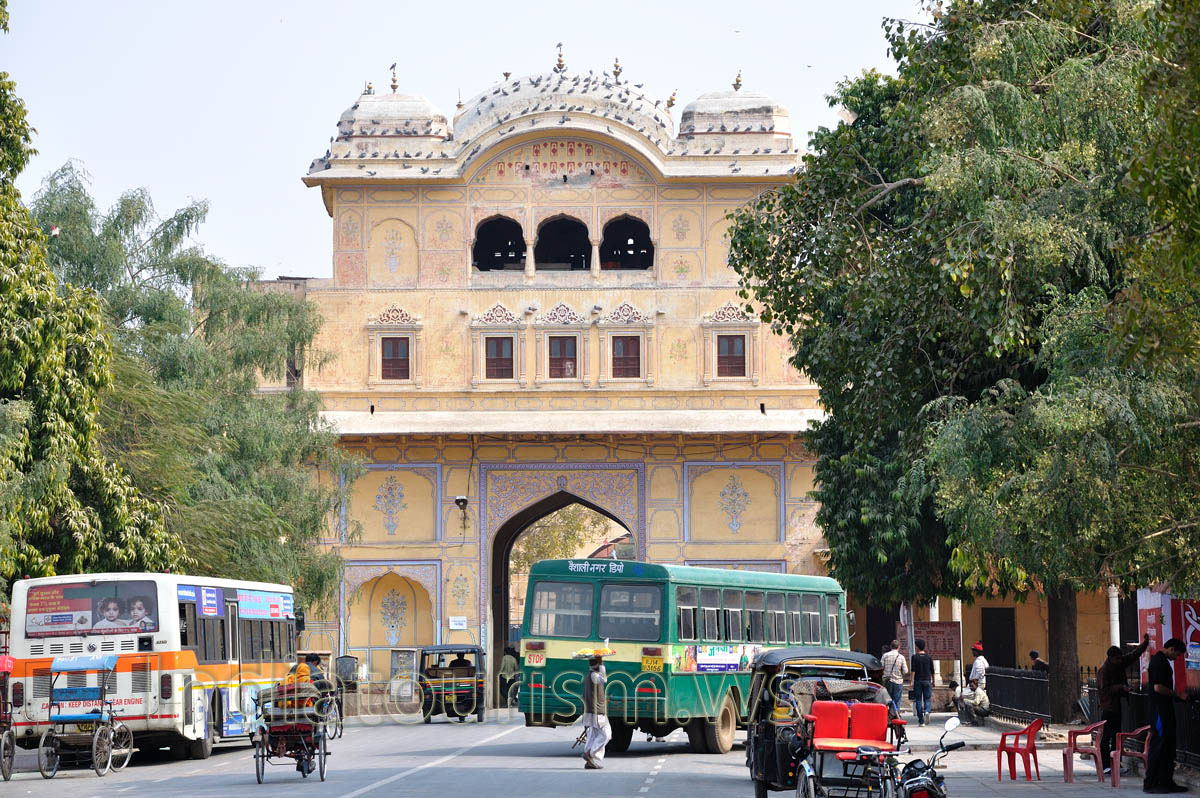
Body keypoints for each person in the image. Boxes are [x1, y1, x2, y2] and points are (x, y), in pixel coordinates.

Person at [1098, 633, 1150, 776]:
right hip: (1108, 707)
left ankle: (1116, 763)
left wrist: (1145, 644)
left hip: (1116, 706)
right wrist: (1121, 687)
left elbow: (1133, 656)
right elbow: (1105, 690)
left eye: (1120, 658)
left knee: (1117, 736)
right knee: (1107, 737)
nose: (1120, 661)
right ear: (1111, 658)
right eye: (1117, 659)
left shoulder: (1119, 663)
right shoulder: (1104, 671)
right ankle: (1106, 765)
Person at [1144, 638, 1187, 794]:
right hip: (1160, 710)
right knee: (1159, 746)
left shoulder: (1162, 661)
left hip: (1166, 709)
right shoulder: (1158, 662)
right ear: (1171, 648)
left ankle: (1167, 781)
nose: (1177, 658)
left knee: (1168, 747)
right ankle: (1151, 783)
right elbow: (1158, 687)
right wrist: (1177, 695)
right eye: (1177, 654)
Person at [582, 655, 611, 769]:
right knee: (606, 734)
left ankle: (589, 758)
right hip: (597, 712)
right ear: (597, 665)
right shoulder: (594, 676)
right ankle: (590, 753)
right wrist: (602, 663)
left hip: (591, 711)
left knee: (593, 734)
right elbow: (604, 679)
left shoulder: (589, 675)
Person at [910, 638, 935, 727]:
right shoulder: (929, 657)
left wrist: (911, 681)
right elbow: (932, 670)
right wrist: (934, 681)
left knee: (918, 700)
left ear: (917, 647)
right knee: (927, 699)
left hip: (918, 681)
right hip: (927, 680)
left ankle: (921, 721)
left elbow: (913, 670)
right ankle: (927, 711)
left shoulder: (914, 657)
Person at [880, 639, 909, 714]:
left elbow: (880, 667)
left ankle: (888, 715)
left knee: (887, 700)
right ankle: (896, 715)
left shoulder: (885, 655)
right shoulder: (901, 657)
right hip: (898, 681)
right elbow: (905, 671)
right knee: (897, 700)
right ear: (898, 647)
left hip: (887, 681)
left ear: (890, 646)